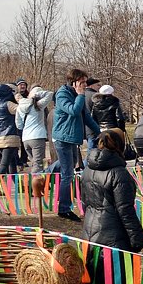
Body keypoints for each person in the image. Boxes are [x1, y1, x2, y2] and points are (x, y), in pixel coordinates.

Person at [79, 129, 143, 284]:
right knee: (113, 279)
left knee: (95, 280)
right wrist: (136, 238)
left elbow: (85, 202)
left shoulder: (87, 169)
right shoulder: (119, 173)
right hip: (112, 233)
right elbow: (125, 209)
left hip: (90, 232)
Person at [54, 69, 101, 222]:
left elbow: (85, 116)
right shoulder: (62, 94)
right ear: (73, 82)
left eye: (85, 82)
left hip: (71, 139)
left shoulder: (76, 94)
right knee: (67, 174)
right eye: (82, 82)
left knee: (65, 168)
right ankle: (64, 209)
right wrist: (80, 95)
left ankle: (45, 172)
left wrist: (99, 132)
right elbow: (73, 111)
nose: (84, 85)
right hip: (62, 138)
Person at [16, 85, 52, 173]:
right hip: (37, 137)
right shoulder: (38, 105)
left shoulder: (20, 107)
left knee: (35, 164)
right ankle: (35, 185)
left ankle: (38, 184)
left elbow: (19, 125)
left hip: (25, 139)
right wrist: (36, 95)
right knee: (38, 165)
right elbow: (50, 94)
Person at [0, 83, 21, 174]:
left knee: (12, 163)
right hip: (9, 138)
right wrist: (17, 96)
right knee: (4, 165)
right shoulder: (8, 104)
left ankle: (18, 185)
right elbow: (22, 109)